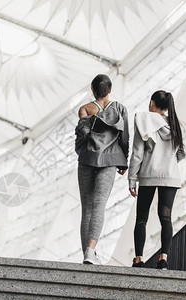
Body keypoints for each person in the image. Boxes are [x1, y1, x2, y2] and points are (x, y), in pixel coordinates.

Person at [74, 74, 129, 264]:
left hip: (87, 159)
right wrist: (124, 161)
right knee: (99, 205)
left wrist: (82, 148)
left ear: (93, 90)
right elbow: (125, 137)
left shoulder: (85, 109)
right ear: (110, 90)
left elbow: (81, 135)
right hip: (111, 160)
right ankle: (91, 250)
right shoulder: (120, 110)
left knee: (87, 209)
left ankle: (86, 255)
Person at [128, 90, 186, 270]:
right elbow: (182, 152)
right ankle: (164, 258)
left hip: (148, 175)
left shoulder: (144, 120)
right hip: (171, 176)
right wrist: (167, 161)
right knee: (166, 218)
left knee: (141, 218)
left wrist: (132, 179)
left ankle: (139, 259)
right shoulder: (176, 124)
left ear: (152, 103)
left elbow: (137, 153)